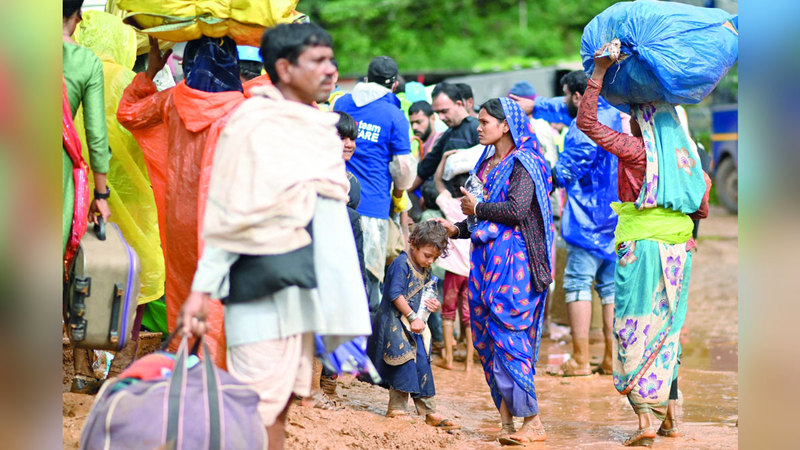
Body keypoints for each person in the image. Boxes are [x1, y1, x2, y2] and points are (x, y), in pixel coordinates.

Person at [179, 22, 371, 449]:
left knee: (282, 406)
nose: (330, 69)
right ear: (284, 68)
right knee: (255, 408)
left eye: (330, 59)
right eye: (317, 61)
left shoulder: (321, 130)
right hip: (258, 289)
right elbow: (226, 215)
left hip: (304, 292)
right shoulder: (250, 125)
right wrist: (200, 291)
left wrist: (341, 304)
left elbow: (331, 223)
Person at [577, 42, 711, 447]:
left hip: (641, 252)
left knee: (633, 326)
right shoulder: (689, 159)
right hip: (678, 251)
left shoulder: (636, 150)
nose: (631, 122)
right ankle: (671, 418)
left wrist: (599, 72)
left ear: (645, 123)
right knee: (667, 329)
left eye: (635, 117)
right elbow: (702, 201)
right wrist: (688, 236)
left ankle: (644, 420)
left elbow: (587, 123)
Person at [117, 35, 271, 368]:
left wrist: (151, 69)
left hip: (180, 222)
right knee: (223, 294)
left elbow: (128, 113)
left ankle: (189, 365)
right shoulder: (244, 105)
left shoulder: (172, 100)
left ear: (188, 63)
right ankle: (218, 374)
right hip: (226, 220)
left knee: (184, 291)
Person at [435, 97, 555, 445]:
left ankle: (533, 421)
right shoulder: (487, 164)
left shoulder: (525, 162)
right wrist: (457, 229)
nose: (479, 127)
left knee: (510, 337)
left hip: (515, 264)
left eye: (485, 122)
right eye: (479, 121)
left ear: (506, 126)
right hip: (485, 262)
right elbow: (482, 217)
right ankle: (506, 423)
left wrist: (478, 208)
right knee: (487, 338)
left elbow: (516, 210)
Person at [71, 9, 167, 379]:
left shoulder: (67, 74)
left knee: (78, 276)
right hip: (132, 199)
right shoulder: (129, 80)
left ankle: (82, 366)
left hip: (79, 195)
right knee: (134, 277)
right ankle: (121, 365)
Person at [512, 70, 622, 377]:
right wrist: (536, 105)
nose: (562, 101)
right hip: (616, 218)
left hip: (587, 220)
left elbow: (570, 167)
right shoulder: (613, 111)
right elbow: (565, 109)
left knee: (577, 285)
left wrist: (544, 174)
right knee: (611, 289)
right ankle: (611, 359)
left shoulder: (583, 126)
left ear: (577, 96)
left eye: (565, 95)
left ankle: (580, 359)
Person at [333, 56, 417, 315]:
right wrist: (399, 194)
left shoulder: (341, 103)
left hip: (335, 201)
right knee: (369, 280)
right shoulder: (394, 115)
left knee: (337, 276)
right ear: (394, 85)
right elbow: (403, 168)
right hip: (373, 207)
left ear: (367, 78)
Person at [62, 0, 113, 394]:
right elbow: (96, 136)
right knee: (62, 270)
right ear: (77, 17)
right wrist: (100, 193)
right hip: (58, 174)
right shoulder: (84, 62)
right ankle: (81, 372)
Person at [368, 221, 459, 430]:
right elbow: (395, 294)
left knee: (422, 363)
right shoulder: (401, 263)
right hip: (394, 322)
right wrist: (411, 316)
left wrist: (432, 303)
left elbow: (425, 290)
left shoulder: (423, 265)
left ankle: (429, 410)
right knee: (403, 362)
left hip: (412, 325)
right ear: (414, 244)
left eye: (434, 258)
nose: (430, 261)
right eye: (427, 255)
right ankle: (397, 408)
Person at [431, 149, 472, 371]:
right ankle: (468, 363)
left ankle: (448, 358)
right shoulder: (475, 206)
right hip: (471, 271)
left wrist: (444, 158)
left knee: (448, 314)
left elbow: (438, 182)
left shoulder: (450, 204)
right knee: (468, 317)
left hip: (453, 270)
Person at [411, 82, 480, 209]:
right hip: (448, 204)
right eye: (437, 113)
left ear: (459, 104)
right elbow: (425, 169)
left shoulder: (477, 129)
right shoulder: (448, 134)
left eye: (444, 111)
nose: (441, 117)